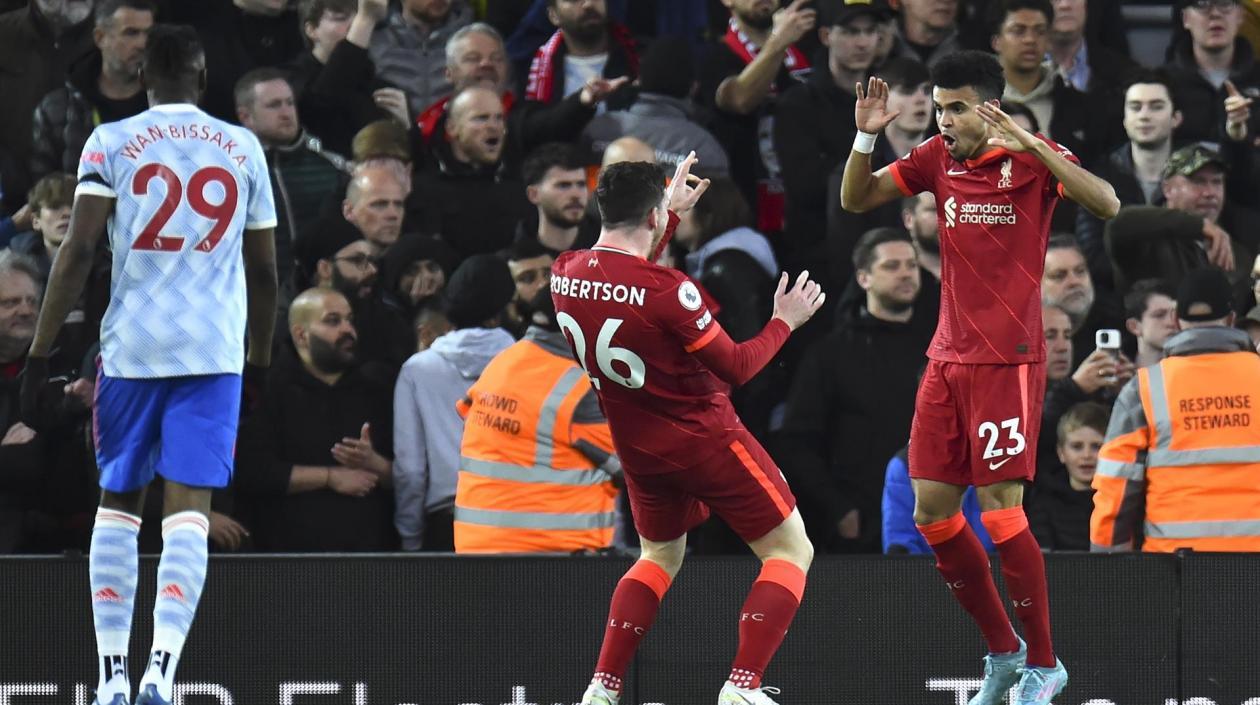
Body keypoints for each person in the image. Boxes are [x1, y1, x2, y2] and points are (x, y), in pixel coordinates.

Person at [839, 50, 1120, 703]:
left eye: (957, 107)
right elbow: (857, 199)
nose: (944, 119)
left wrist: (1032, 143)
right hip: (946, 361)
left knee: (1000, 514)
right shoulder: (937, 156)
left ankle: (1045, 663)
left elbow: (1105, 203)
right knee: (933, 514)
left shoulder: (1030, 159)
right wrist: (865, 134)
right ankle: (1003, 648)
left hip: (1007, 359)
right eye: (940, 107)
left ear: (990, 108)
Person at [18, 25, 278, 705]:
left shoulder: (110, 142)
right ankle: (162, 670)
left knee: (120, 501)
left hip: (132, 348)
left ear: (141, 76)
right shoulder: (243, 145)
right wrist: (261, 359)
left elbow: (75, 250)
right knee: (189, 509)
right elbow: (266, 272)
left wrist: (40, 351)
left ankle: (111, 675)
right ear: (201, 76)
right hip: (213, 352)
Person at [555, 154, 824, 705]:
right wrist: (784, 320)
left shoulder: (565, 272)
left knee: (657, 557)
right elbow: (740, 367)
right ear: (652, 215)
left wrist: (666, 215)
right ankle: (742, 686)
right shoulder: (671, 290)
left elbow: (623, 275)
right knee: (790, 551)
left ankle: (602, 689)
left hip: (638, 449)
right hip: (704, 439)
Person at [1093, 267, 1260, 552]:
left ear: (1175, 320)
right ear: (1232, 319)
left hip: (1175, 570)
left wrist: (1109, 567)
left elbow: (1116, 485)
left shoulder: (1144, 388)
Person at [453, 288, 620, 554]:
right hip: (551, 557)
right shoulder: (579, 386)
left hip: (476, 552)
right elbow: (638, 469)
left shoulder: (502, 364)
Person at [393, 254, 517, 551]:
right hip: (518, 517)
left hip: (446, 524)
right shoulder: (525, 364)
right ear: (501, 310)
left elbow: (410, 470)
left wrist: (410, 539)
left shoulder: (417, 369)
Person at [30, 0, 154, 182]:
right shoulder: (57, 110)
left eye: (149, 34)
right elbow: (45, 193)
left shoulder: (168, 107)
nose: (143, 44)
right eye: (131, 33)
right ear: (100, 37)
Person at [1027, 400, 1106, 551]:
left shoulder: (1122, 501)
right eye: (1077, 447)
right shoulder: (1043, 502)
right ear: (1061, 453)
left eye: (1096, 446)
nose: (1087, 455)